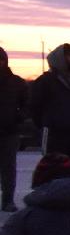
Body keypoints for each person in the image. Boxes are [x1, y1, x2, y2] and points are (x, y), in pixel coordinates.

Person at [28, 44, 70, 160]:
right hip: (54, 137)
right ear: (60, 58)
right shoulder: (46, 81)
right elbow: (34, 106)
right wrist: (46, 123)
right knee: (54, 172)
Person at [0, 46, 26, 212]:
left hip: (9, 132)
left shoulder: (16, 82)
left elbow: (27, 104)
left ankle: (8, 200)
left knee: (8, 168)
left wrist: (18, 118)